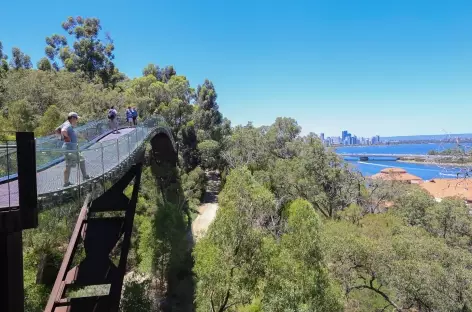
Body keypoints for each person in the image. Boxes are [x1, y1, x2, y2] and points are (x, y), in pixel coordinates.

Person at [61, 112, 90, 187]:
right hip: (69, 149)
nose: (77, 120)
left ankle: (84, 176)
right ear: (73, 118)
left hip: (74, 148)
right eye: (76, 118)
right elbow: (63, 131)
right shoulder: (67, 125)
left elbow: (59, 131)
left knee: (81, 159)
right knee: (68, 165)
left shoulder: (69, 125)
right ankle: (66, 183)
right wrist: (67, 138)